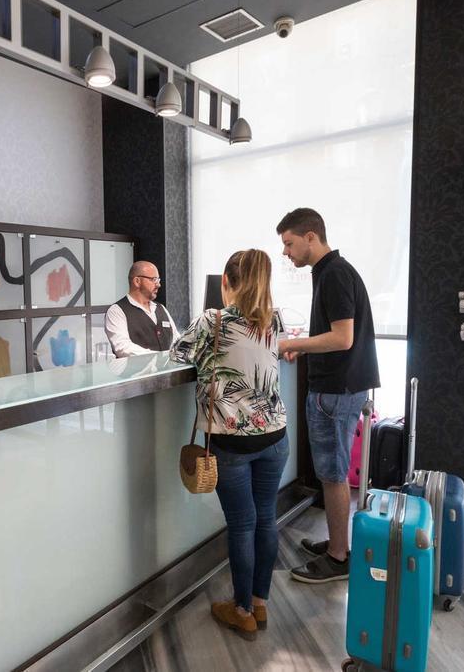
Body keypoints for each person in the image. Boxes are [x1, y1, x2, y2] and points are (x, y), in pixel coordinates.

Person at [170, 249, 288, 641]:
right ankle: (259, 604)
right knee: (265, 519)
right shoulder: (274, 320)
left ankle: (240, 611)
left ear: (226, 281)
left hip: (232, 443)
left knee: (242, 524)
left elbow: (177, 356)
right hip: (275, 437)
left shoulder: (213, 319)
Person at [275, 208, 380, 584]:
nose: (286, 252)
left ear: (310, 237)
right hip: (340, 387)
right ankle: (339, 543)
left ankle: (339, 558)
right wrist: (304, 348)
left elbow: (343, 337)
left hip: (335, 391)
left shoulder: (334, 274)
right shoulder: (332, 271)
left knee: (333, 475)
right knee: (330, 473)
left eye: (288, 243)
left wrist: (294, 342)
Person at [104, 261, 180, 357]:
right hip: (136, 372)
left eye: (158, 280)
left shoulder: (161, 308)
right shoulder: (117, 311)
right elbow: (123, 348)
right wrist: (159, 357)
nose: (158, 285)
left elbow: (176, 340)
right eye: (154, 279)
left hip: (168, 370)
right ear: (137, 281)